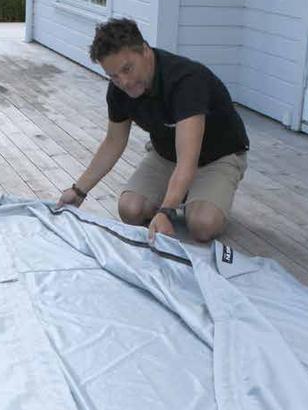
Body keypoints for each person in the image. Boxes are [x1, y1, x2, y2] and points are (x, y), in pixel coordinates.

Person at [57, 18, 250, 243]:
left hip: (216, 159)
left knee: (202, 225)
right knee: (130, 209)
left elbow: (188, 160)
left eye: (127, 69)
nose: (124, 82)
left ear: (145, 51)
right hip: (166, 155)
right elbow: (113, 142)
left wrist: (166, 211)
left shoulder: (186, 81)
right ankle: (185, 195)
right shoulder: (119, 90)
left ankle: (199, 196)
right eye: (114, 76)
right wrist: (79, 191)